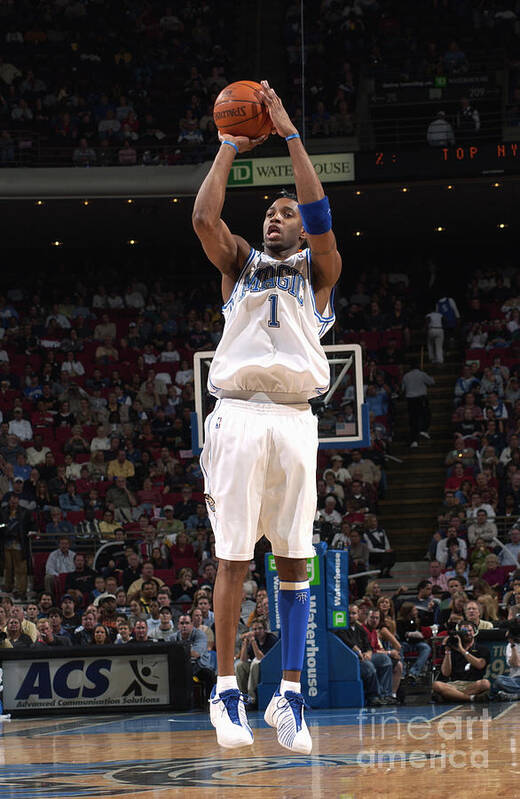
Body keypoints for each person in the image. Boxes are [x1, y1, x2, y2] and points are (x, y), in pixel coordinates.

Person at [192, 80, 341, 752]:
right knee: (231, 559)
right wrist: (227, 146)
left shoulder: (319, 271)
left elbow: (320, 211)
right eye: (271, 213)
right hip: (240, 413)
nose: (277, 218)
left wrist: (289, 135)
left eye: (286, 212)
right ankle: (225, 691)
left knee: (295, 561)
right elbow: (202, 219)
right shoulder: (240, 264)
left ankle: (288, 696)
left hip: (296, 419)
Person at [432, 621, 490, 703]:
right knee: (436, 685)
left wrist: (462, 650)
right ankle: (471, 698)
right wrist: (447, 651)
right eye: (464, 631)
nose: (467, 633)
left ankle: (451, 696)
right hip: (454, 685)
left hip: (472, 684)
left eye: (469, 631)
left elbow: (480, 665)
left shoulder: (482, 648)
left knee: (485, 683)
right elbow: (445, 673)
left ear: (475, 632)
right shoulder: (452, 649)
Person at [235, 618, 278, 708]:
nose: (257, 631)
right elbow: (243, 659)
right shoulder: (253, 640)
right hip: (256, 667)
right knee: (239, 665)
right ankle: (242, 697)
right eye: (254, 629)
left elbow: (262, 659)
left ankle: (252, 698)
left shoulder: (271, 639)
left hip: (269, 667)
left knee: (255, 664)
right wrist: (245, 643)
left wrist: (253, 642)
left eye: (260, 628)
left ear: (265, 630)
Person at [402, 362, 435, 447]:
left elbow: (403, 388)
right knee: (425, 415)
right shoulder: (422, 374)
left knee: (413, 420)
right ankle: (423, 430)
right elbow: (432, 382)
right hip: (421, 398)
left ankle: (414, 440)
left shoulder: (406, 376)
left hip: (410, 400)